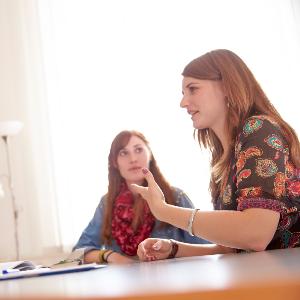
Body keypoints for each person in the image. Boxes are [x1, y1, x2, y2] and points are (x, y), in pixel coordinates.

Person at [131, 49, 300, 262]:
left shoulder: (258, 129)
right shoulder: (223, 158)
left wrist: (164, 211)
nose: (183, 103)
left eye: (193, 89)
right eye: (183, 93)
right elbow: (232, 247)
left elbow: (256, 234)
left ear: (227, 87)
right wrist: (173, 249)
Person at [73, 130, 207, 264]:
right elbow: (77, 253)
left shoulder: (175, 197)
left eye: (138, 150)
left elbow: (206, 250)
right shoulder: (107, 203)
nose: (133, 159)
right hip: (123, 284)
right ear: (115, 162)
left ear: (150, 155)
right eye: (123, 153)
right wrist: (109, 255)